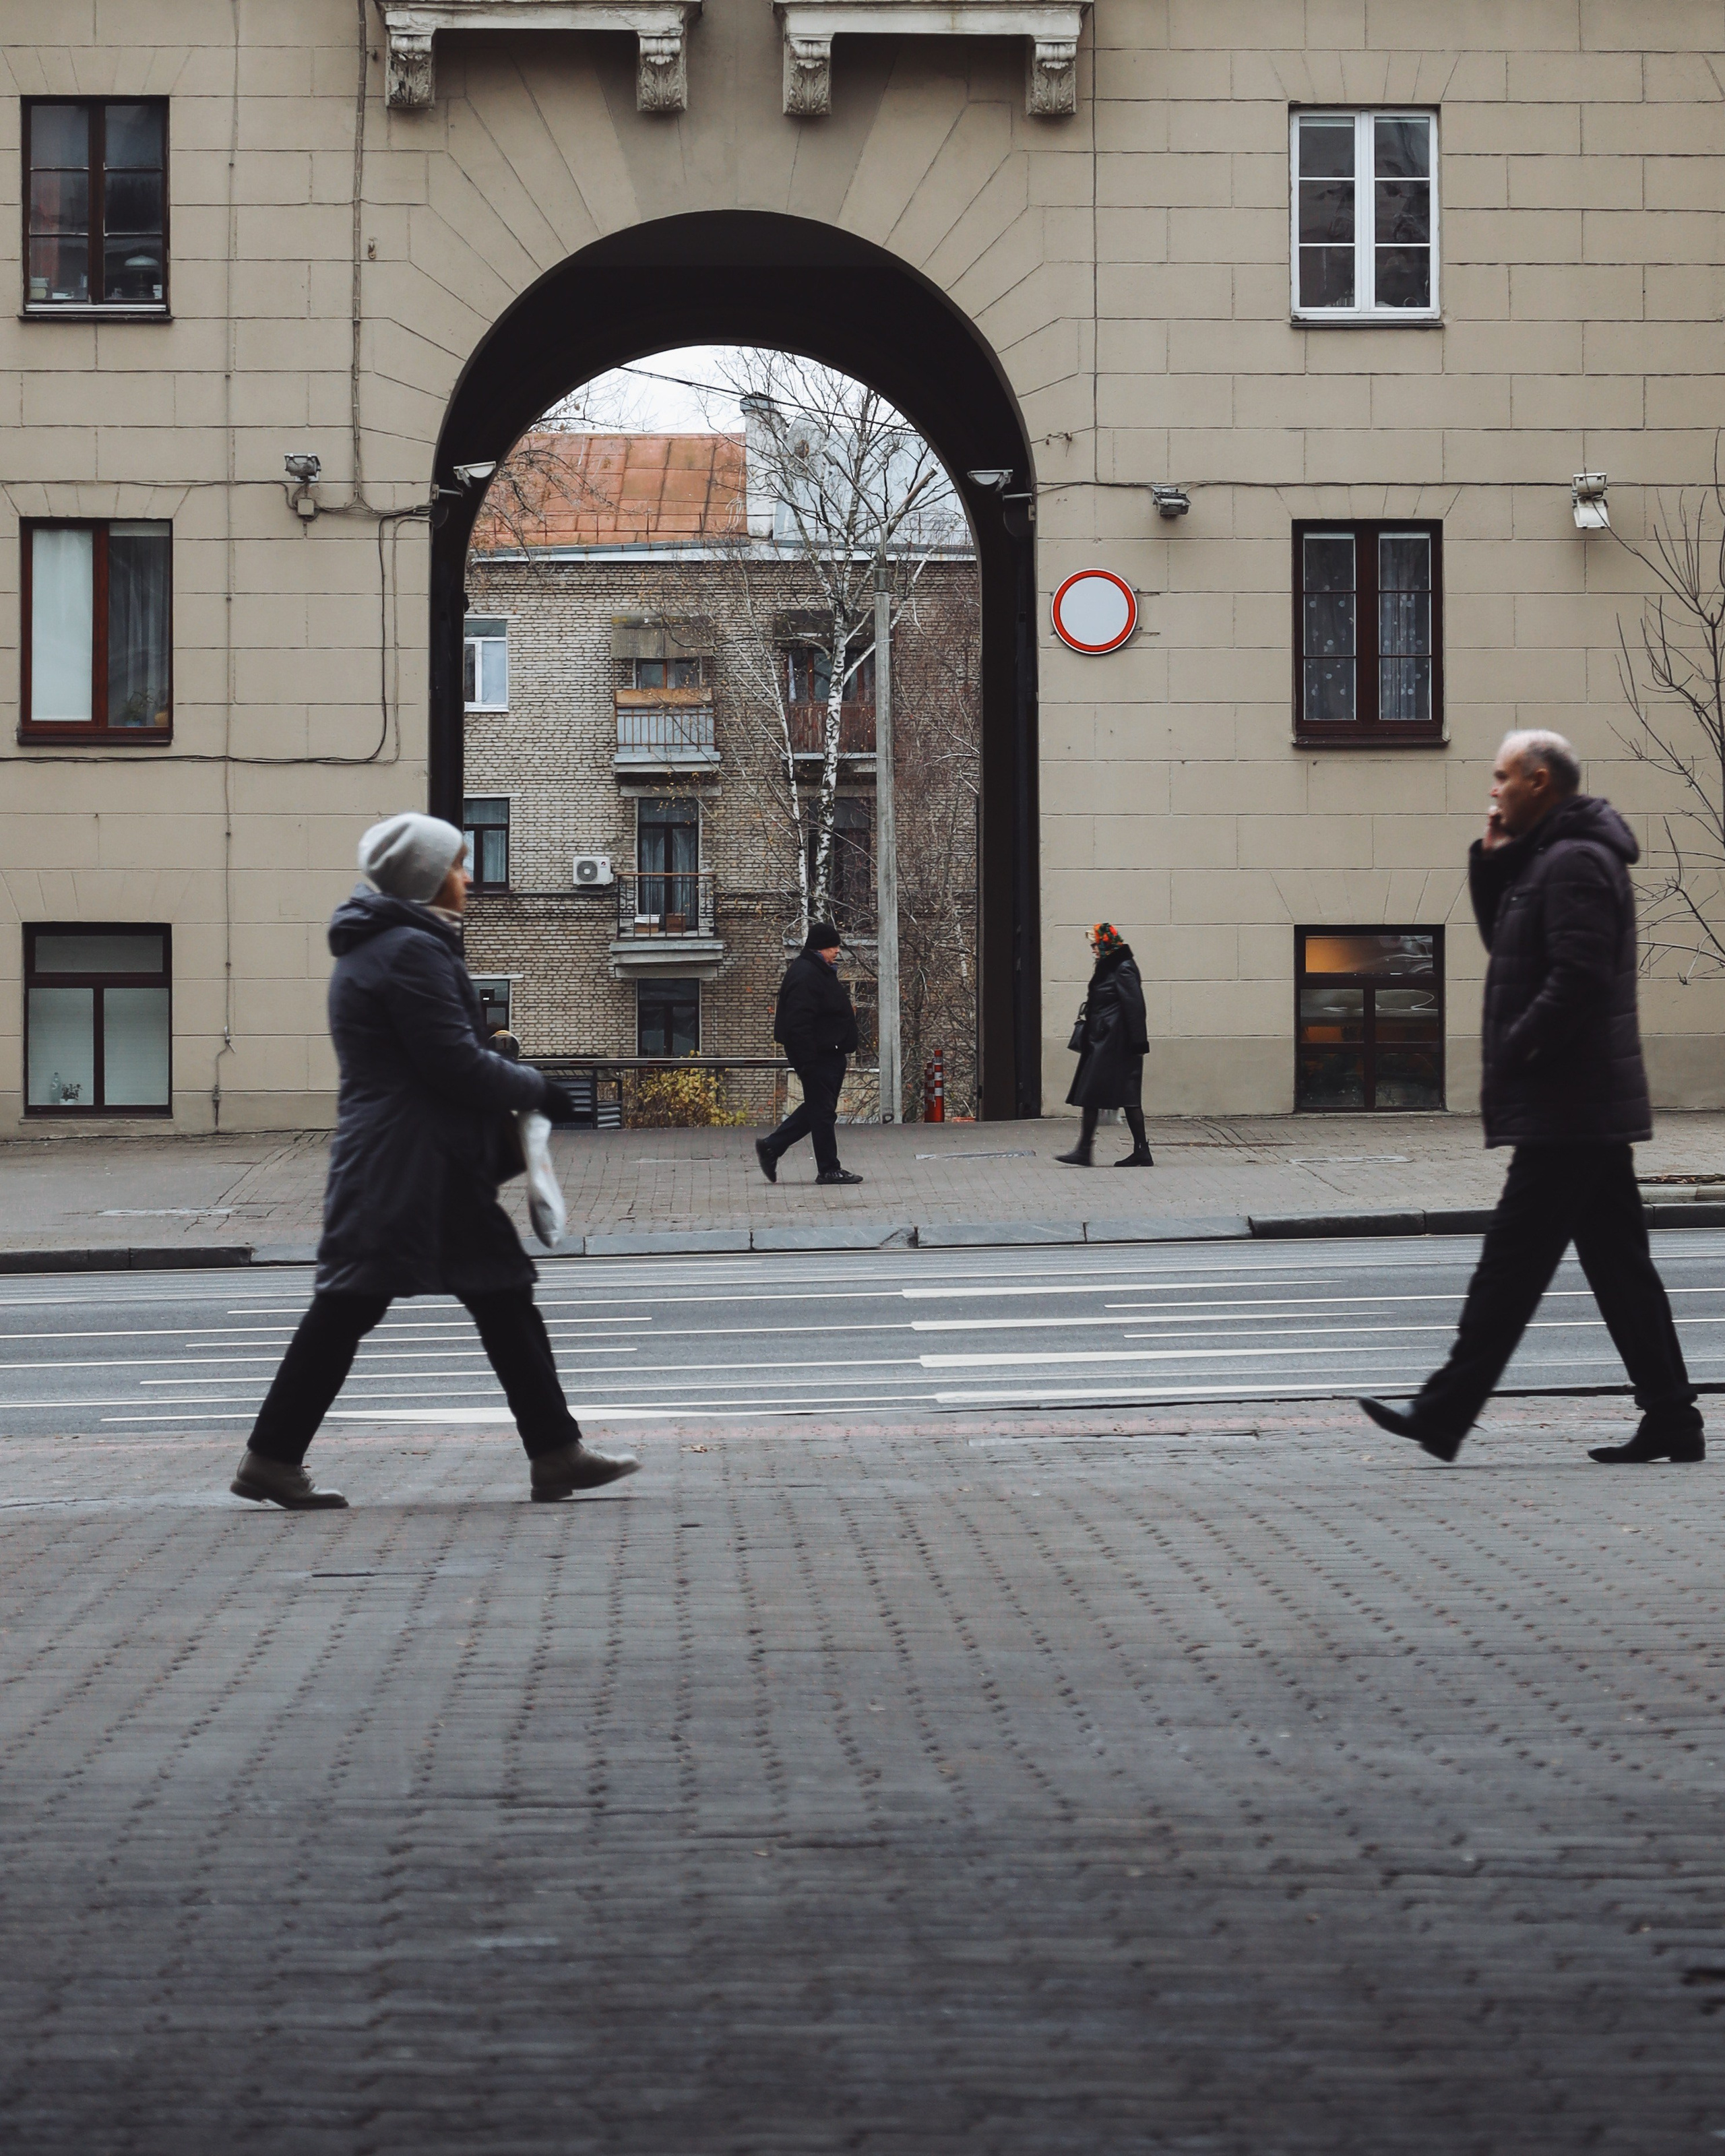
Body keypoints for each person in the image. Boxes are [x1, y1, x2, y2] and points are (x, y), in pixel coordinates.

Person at [227, 811, 641, 1509]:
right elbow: (451, 1063)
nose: (469, 876)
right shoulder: (406, 951)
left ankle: (555, 1451)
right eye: (456, 863)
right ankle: (270, 1456)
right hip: (407, 1164)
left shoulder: (391, 946)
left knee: (499, 1293)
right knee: (350, 1305)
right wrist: (540, 1088)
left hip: (417, 1160)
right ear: (425, 876)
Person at [1361, 730, 1704, 1467]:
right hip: (1579, 1100)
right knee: (1618, 1265)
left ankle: (1444, 1408)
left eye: (1501, 777)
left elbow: (1576, 974)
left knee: (1510, 1263)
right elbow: (1509, 944)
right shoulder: (1550, 859)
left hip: (1568, 1102)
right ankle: (1672, 1415)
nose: (1492, 789)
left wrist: (1520, 1044)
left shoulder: (1576, 861)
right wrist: (1491, 865)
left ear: (1539, 781)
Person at [755, 920, 863, 1186]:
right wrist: (808, 1062)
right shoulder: (806, 975)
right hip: (818, 1056)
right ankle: (828, 1168)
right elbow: (798, 1024)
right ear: (819, 948)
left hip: (827, 1053)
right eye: (833, 946)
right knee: (823, 1112)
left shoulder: (817, 971)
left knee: (819, 1108)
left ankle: (772, 1146)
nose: (838, 951)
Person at [1056, 922, 1153, 1168]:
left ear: (1105, 943)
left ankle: (1087, 1151)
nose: (1093, 950)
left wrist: (1137, 1043)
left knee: (1104, 1095)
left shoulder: (1123, 968)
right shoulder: (1112, 966)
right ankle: (1135, 1151)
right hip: (1105, 1041)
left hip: (1114, 1044)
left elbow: (1135, 1007)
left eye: (1094, 945)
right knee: (1112, 1096)